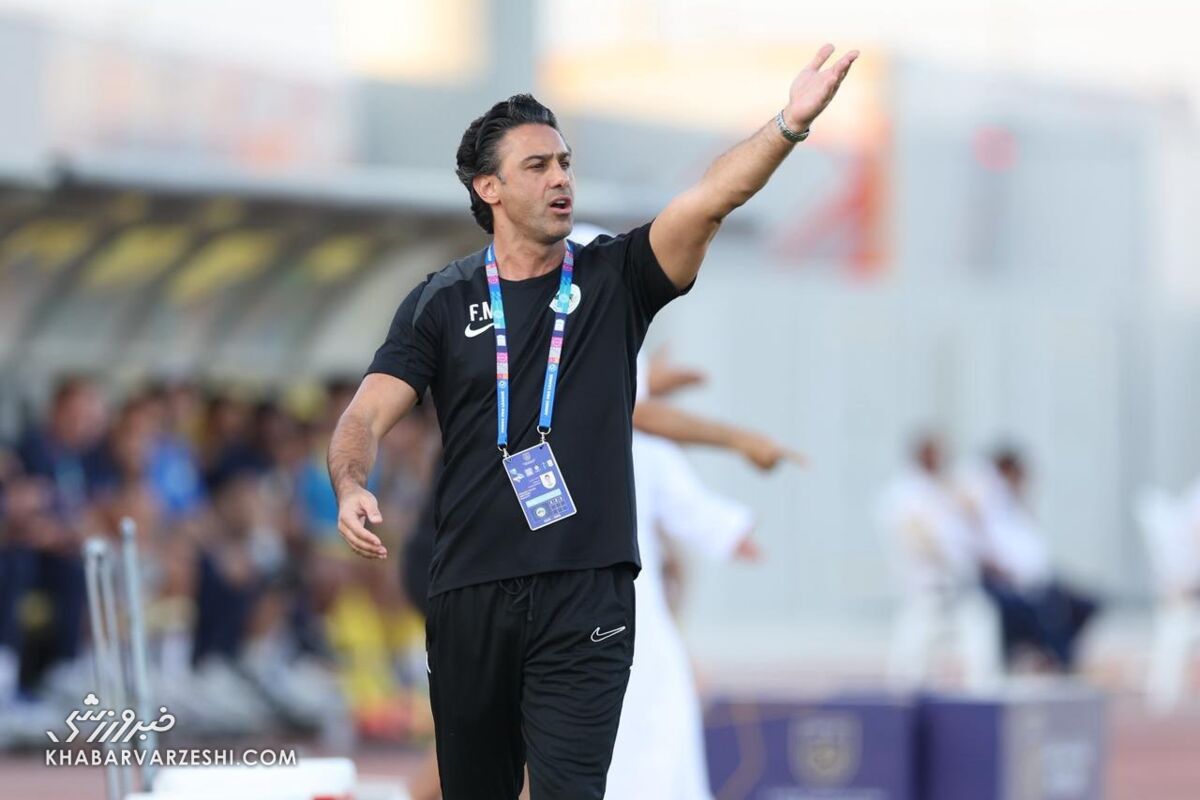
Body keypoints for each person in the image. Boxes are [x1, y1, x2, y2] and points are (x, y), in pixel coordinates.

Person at [328, 45, 858, 800]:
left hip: (588, 594)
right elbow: (366, 411)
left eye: (565, 163)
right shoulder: (440, 300)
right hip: (470, 590)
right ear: (489, 188)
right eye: (538, 166)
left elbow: (709, 201)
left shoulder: (617, 276)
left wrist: (788, 124)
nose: (561, 179)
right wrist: (351, 482)